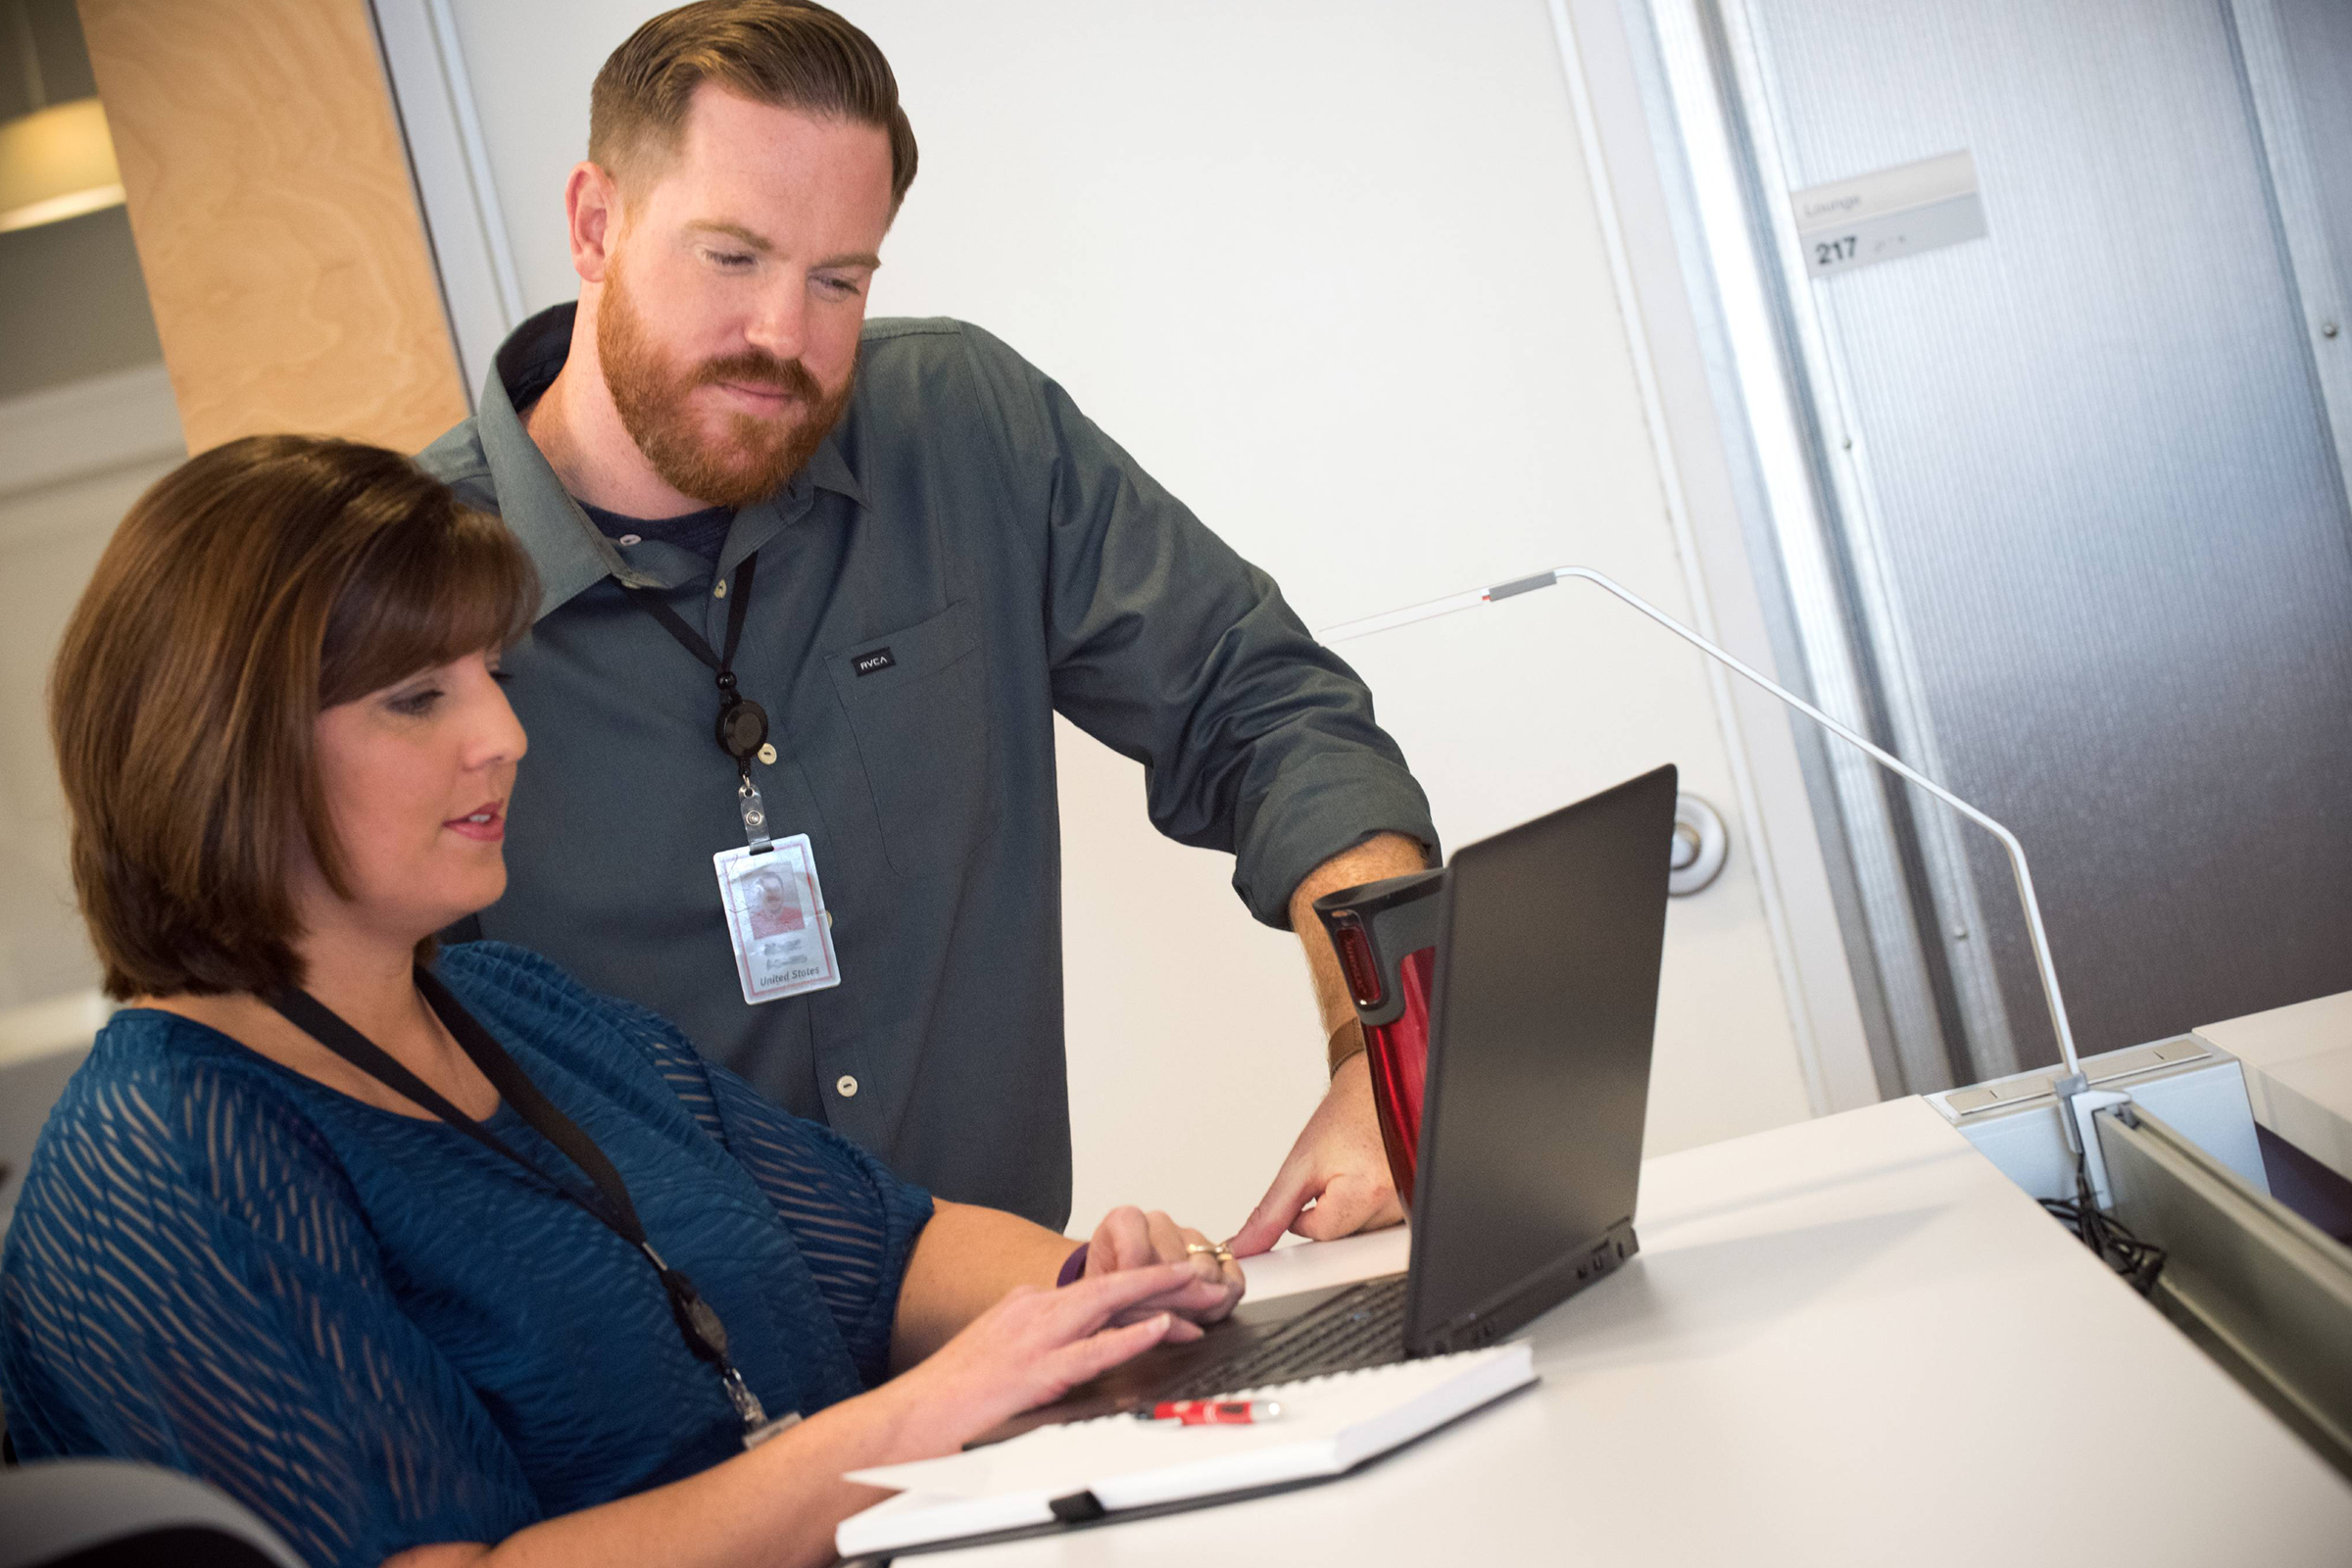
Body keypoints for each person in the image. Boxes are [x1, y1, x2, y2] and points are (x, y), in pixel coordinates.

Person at [0, 436, 1245, 1568]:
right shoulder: (162, 1157)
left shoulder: (517, 1004)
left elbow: (894, 1249)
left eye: (488, 672)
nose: (502, 732)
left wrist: (1098, 1290)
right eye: (417, 696)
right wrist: (909, 1424)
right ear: (224, 743)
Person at [415, 0, 1437, 1251]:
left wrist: (1389, 1059)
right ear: (595, 224)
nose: (783, 337)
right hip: (676, 1413)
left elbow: (1264, 705)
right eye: (731, 258)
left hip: (1020, 1350)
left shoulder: (961, 427)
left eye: (837, 279)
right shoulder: (393, 590)